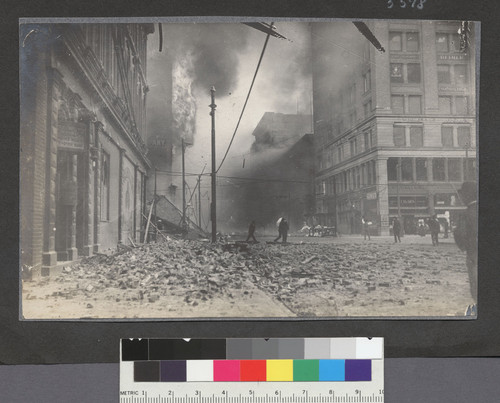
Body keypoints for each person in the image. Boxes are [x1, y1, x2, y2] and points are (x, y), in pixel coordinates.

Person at [453, 181, 477, 315]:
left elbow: (460, 235)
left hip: (473, 254)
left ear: (467, 195)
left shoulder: (466, 213)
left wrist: (464, 246)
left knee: (476, 283)